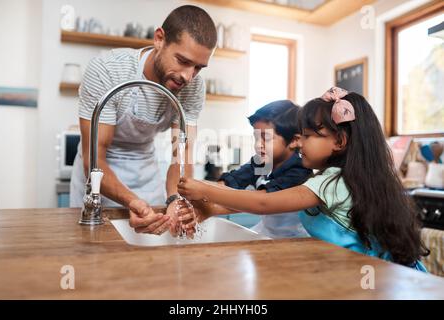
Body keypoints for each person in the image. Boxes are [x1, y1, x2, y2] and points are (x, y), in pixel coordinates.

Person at [178, 87, 429, 271]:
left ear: (339, 142)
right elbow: (245, 196)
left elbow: (264, 203)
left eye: (307, 136)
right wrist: (209, 207)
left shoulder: (329, 182)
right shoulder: (343, 179)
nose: (300, 143)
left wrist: (202, 189)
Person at [70, 5, 217, 236]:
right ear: (159, 39)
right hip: (98, 177)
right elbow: (94, 158)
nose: (188, 76)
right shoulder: (108, 70)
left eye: (198, 68)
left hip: (145, 172)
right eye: (182, 61)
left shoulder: (193, 88)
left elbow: (183, 156)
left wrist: (174, 200)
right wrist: (131, 201)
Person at [201, 100, 311, 238]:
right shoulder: (261, 163)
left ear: (295, 140)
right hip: (265, 233)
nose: (258, 145)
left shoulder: (299, 171)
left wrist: (203, 192)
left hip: (295, 240)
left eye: (266, 138)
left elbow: (262, 201)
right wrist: (199, 193)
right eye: (256, 137)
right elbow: (231, 182)